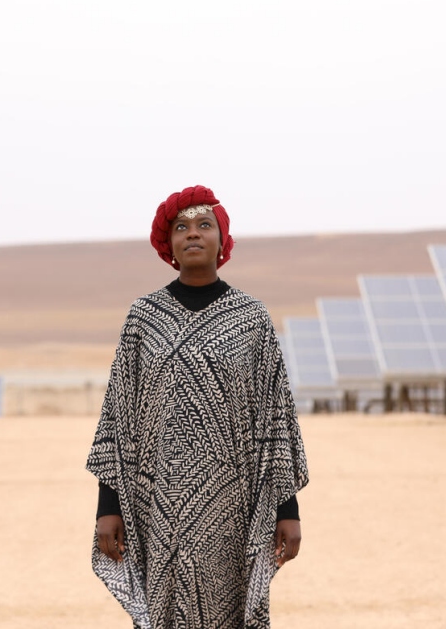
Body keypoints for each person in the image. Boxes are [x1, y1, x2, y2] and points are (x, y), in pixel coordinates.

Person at [86, 185, 309, 629]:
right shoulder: (143, 317)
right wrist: (107, 505)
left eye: (205, 225)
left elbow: (276, 419)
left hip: (233, 505)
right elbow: (119, 417)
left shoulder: (251, 319)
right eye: (181, 227)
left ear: (222, 241)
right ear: (167, 244)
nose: (193, 234)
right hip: (157, 506)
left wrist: (288, 510)